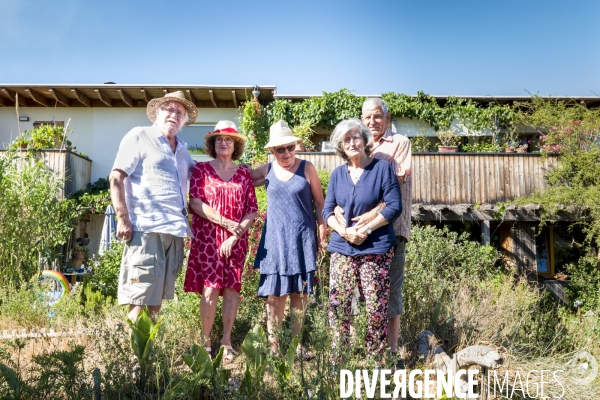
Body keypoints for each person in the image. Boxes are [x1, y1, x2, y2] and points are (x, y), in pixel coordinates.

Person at [336, 98, 412, 367]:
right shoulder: (357, 142)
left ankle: (389, 353)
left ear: (387, 117)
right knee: (356, 293)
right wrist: (337, 212)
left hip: (390, 231)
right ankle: (362, 347)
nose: (372, 122)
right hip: (356, 235)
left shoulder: (399, 144)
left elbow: (393, 188)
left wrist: (369, 217)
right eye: (366, 117)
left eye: (377, 116)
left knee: (388, 292)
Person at [110, 91, 197, 322]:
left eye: (179, 112)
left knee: (157, 298)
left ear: (184, 120)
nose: (173, 115)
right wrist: (123, 219)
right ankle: (136, 356)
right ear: (157, 113)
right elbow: (116, 177)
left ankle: (150, 352)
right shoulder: (139, 136)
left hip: (174, 231)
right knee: (139, 296)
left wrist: (239, 170)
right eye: (168, 109)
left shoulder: (183, 150)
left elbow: (205, 174)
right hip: (145, 229)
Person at [323, 118, 401, 362]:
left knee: (376, 308)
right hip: (341, 249)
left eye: (356, 137)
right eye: (346, 139)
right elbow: (326, 211)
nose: (352, 142)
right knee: (339, 307)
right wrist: (344, 232)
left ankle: (374, 363)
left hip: (375, 250)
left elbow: (394, 207)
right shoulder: (337, 174)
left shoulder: (381, 169)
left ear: (365, 140)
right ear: (340, 145)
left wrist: (366, 230)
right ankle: (340, 361)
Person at [250, 120, 327, 355]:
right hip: (274, 240)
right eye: (280, 149)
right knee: (274, 294)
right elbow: (238, 183)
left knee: (299, 293)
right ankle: (273, 347)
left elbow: (320, 204)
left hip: (302, 238)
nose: (287, 153)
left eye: (290, 147)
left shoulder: (307, 168)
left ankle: (296, 345)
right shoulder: (266, 170)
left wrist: (322, 235)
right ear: (272, 151)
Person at [184, 120, 258, 363]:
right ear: (212, 144)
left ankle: (226, 341)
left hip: (236, 241)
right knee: (211, 287)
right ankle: (206, 342)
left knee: (231, 288)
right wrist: (227, 224)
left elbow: (251, 210)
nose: (223, 142)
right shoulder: (202, 170)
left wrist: (235, 236)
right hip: (208, 239)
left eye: (228, 139)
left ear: (235, 145)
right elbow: (195, 203)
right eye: (219, 139)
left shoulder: (245, 173)